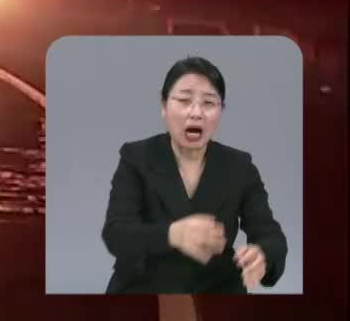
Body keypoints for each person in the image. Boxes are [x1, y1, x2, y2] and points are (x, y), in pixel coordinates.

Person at [100, 57, 288, 294]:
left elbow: (270, 234)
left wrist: (263, 254)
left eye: (209, 103)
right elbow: (116, 233)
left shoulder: (240, 166)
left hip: (216, 291)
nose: (196, 113)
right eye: (184, 100)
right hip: (142, 289)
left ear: (221, 111)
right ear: (164, 106)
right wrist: (172, 234)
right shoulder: (136, 157)